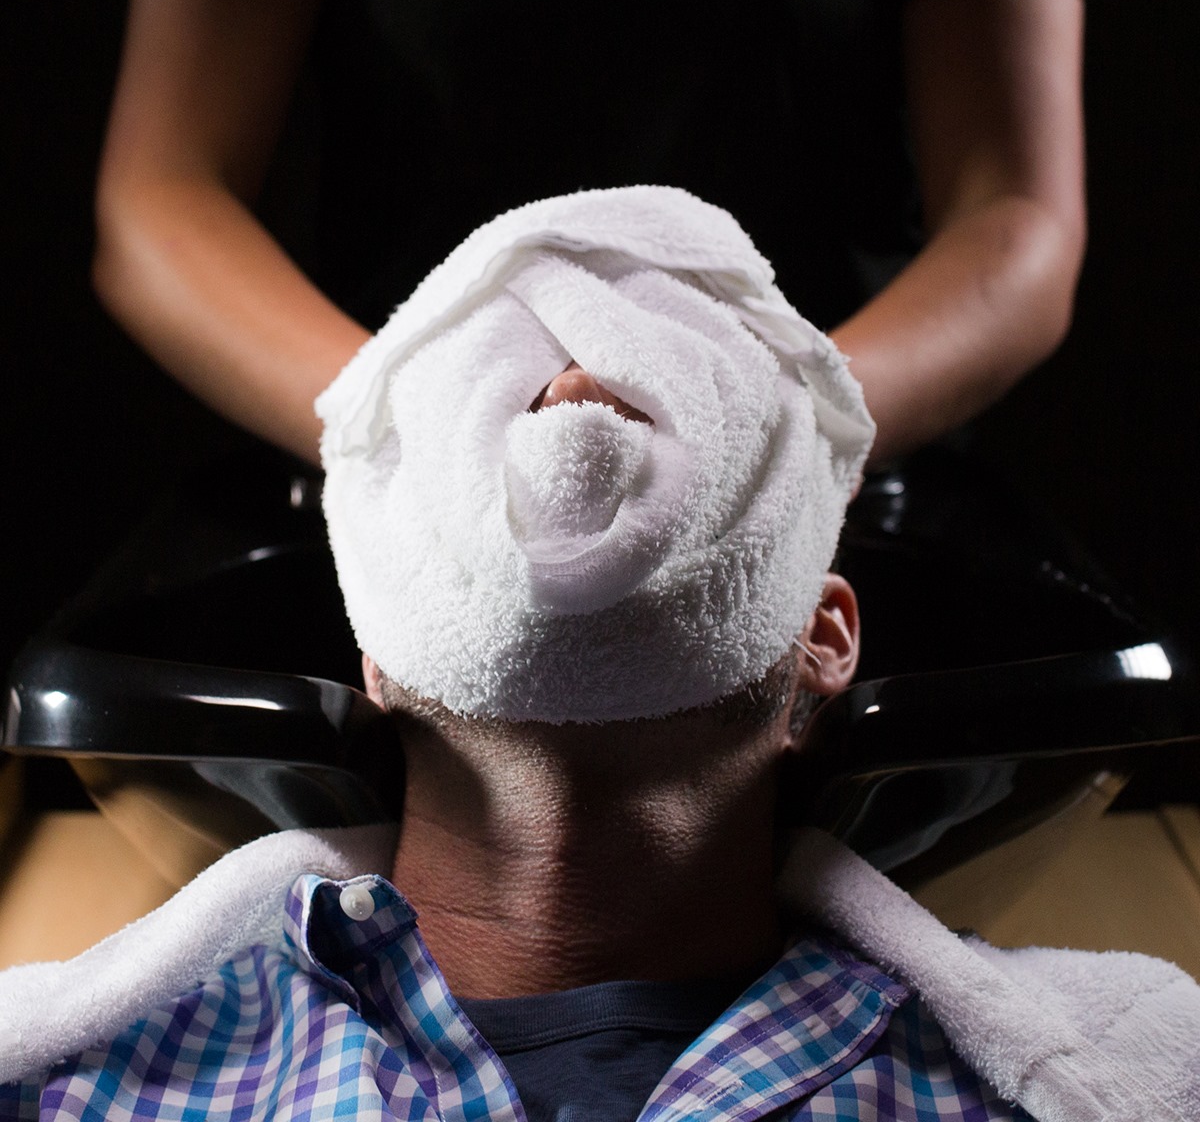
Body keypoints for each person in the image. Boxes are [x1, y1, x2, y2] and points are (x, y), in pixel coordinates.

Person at [1, 189, 1196, 1122]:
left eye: (672, 371)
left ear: (823, 637)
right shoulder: (84, 1082)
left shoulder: (1099, 1078)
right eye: (508, 381)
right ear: (374, 641)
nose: (577, 385)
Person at [91, 0, 1087, 468]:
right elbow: (163, 196)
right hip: (390, 482)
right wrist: (414, 426)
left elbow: (1013, 217)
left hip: (845, 486)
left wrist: (789, 429)